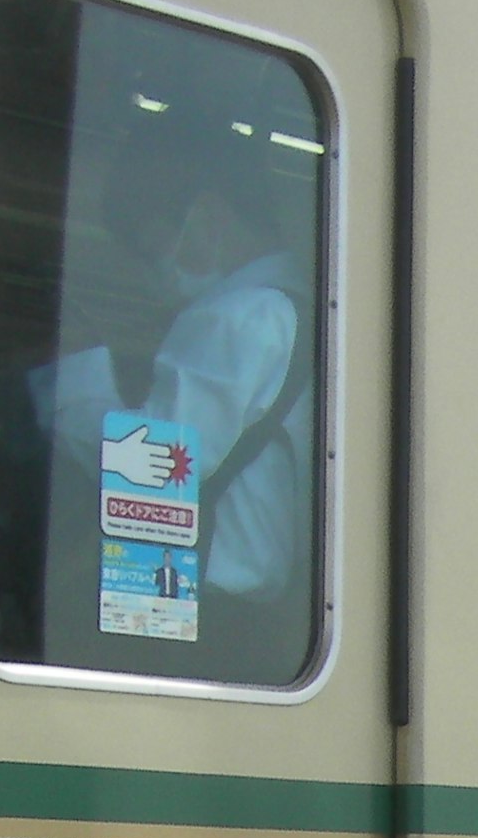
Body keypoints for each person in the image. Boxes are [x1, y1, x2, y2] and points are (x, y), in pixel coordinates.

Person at [31, 111, 316, 683]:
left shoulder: (241, 315)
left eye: (147, 239)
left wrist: (75, 370)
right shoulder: (299, 311)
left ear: (207, 213)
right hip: (249, 623)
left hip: (207, 623)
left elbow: (157, 471)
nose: (147, 266)